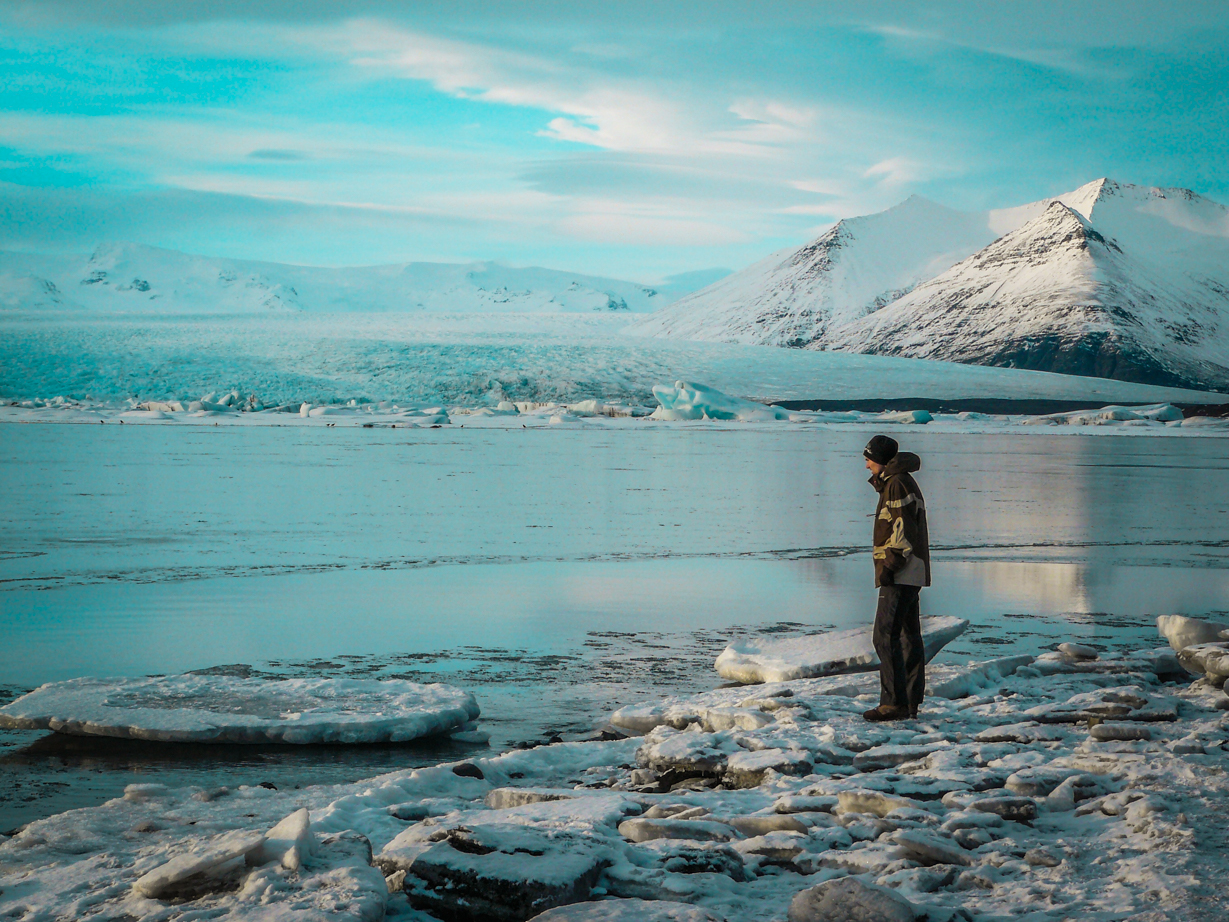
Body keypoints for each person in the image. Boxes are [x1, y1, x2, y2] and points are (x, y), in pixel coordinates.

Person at [860, 434, 931, 722]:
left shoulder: (897, 483)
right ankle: (910, 701)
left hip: (902, 571)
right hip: (911, 571)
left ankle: (893, 703)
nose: (866, 465)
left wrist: (890, 566)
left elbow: (902, 532)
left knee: (885, 636)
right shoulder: (897, 481)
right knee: (907, 636)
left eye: (867, 459)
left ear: (879, 459)